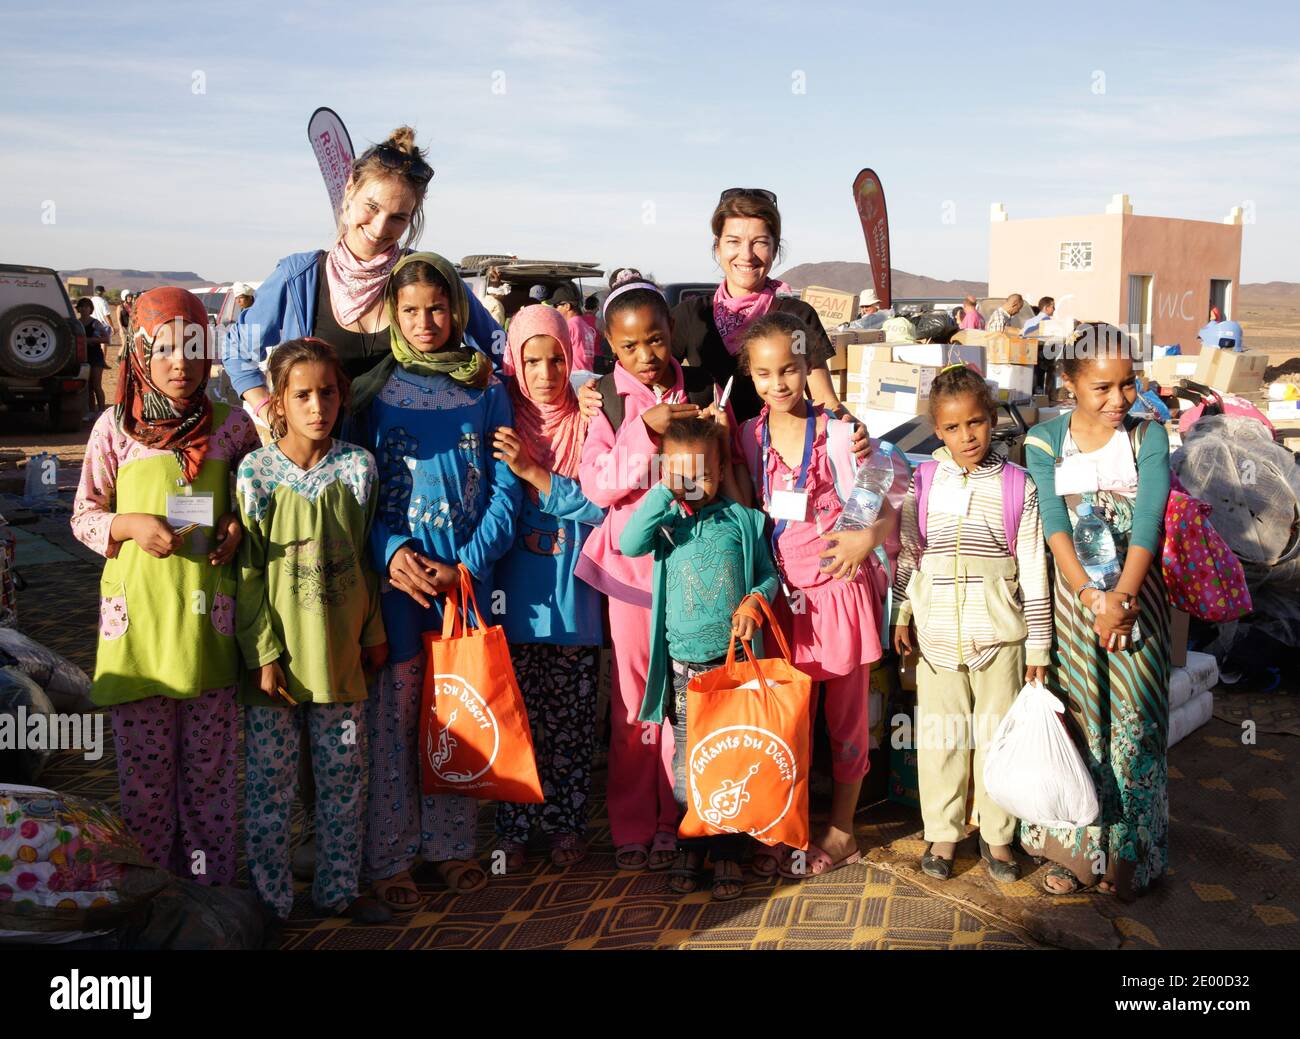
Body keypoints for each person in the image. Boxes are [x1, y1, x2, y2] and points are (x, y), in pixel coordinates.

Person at [347, 252, 521, 910]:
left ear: (457, 309)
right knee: (392, 723)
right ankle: (390, 853)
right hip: (396, 586)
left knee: (456, 716)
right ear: (392, 311)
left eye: (438, 307)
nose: (425, 322)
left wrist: (469, 564)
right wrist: (389, 550)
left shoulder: (486, 385)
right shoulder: (370, 390)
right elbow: (354, 489)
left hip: (463, 584)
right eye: (411, 310)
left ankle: (450, 846)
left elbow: (507, 491)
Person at [70, 287, 258, 884]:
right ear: (141, 353)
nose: (182, 364)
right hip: (140, 637)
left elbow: (248, 508)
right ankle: (154, 895)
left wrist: (234, 525)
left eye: (195, 349)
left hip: (208, 632)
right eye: (167, 349)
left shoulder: (233, 431)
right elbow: (83, 514)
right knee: (146, 783)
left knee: (210, 776)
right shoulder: (115, 431)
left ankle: (211, 896)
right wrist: (128, 524)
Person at [575, 269, 743, 873]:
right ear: (610, 348)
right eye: (628, 346)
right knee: (630, 710)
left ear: (671, 331)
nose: (645, 356)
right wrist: (645, 433)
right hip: (632, 579)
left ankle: (680, 823)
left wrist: (716, 437)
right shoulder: (607, 401)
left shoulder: (702, 388)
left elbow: (726, 478)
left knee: (682, 708)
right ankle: (631, 824)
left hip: (691, 581)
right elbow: (597, 485)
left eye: (654, 339)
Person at [737, 312, 908, 878]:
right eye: (764, 374)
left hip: (839, 592)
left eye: (789, 369)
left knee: (846, 720)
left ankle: (841, 829)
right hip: (784, 604)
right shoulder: (748, 436)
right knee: (788, 719)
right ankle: (785, 821)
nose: (778, 384)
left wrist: (866, 540)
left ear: (810, 369)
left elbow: (886, 500)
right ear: (750, 376)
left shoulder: (839, 433)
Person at [235, 337, 390, 924]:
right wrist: (263, 652)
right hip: (275, 668)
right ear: (278, 402)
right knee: (270, 788)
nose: (316, 406)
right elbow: (248, 571)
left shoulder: (357, 468)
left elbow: (366, 557)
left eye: (327, 392)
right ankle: (272, 900)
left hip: (341, 660)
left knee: (344, 781)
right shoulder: (256, 473)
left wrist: (372, 632)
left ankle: (338, 890)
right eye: (302, 395)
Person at [222, 126, 502, 440]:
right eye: (372, 207)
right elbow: (237, 349)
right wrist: (267, 408)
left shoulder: (424, 276)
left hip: (411, 469)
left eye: (398, 217)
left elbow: (500, 348)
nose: (380, 228)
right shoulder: (300, 278)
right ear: (350, 190)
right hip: (322, 468)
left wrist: (489, 414)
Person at [1019, 323, 1171, 900]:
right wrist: (1090, 597)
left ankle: (1130, 854)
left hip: (1137, 608)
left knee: (1136, 725)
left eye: (1128, 385)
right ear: (1070, 383)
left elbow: (1150, 521)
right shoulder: (1044, 442)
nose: (1119, 400)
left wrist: (1123, 601)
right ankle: (1075, 852)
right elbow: (1055, 527)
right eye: (1102, 388)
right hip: (1074, 605)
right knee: (1080, 721)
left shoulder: (1148, 437)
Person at [892, 363, 1051, 883]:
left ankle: (998, 837)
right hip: (936, 637)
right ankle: (943, 830)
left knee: (998, 739)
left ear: (991, 420)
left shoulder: (1016, 484)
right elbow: (911, 551)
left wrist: (1038, 647)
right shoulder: (924, 480)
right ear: (937, 429)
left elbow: (1033, 565)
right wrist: (902, 612)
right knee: (941, 738)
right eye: (954, 427)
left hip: (1001, 639)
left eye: (977, 423)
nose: (968, 436)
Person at [620, 416, 778, 900]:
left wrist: (755, 601)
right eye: (682, 473)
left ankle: (728, 851)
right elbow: (628, 543)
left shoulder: (743, 522)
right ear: (667, 472)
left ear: (721, 467)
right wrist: (664, 494)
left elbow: (768, 577)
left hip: (731, 670)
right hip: (684, 672)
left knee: (731, 759)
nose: (695, 483)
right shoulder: (665, 525)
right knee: (689, 763)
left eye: (704, 472)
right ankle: (692, 842)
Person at [581, 190, 853, 426]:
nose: (746, 255)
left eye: (760, 242)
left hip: (780, 460)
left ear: (775, 249)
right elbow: (641, 372)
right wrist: (593, 392)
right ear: (718, 247)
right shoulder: (691, 316)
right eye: (733, 242)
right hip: (713, 463)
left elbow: (823, 399)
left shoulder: (796, 318)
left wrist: (846, 426)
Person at [490, 306, 604, 869]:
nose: (544, 373)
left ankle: (564, 826)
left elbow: (603, 509)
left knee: (571, 727)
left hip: (574, 607)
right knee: (515, 722)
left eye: (556, 358)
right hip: (513, 607)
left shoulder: (589, 424)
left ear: (572, 358)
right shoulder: (500, 420)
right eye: (531, 359)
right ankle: (513, 827)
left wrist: (537, 476)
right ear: (514, 360)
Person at [548, 283, 599, 374]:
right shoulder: (585, 326)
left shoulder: (569, 327)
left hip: (574, 376)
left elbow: (553, 352)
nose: (555, 309)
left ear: (567, 306)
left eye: (556, 305)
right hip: (588, 374)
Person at [75, 297, 112, 416]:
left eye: (87, 306)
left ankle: (101, 411)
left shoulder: (96, 323)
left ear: (90, 309)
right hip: (82, 357)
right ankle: (91, 411)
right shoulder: (77, 324)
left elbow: (106, 339)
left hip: (96, 356)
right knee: (88, 386)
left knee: (96, 384)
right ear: (78, 309)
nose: (84, 309)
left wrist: (90, 340)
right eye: (82, 306)